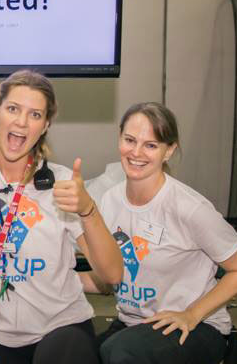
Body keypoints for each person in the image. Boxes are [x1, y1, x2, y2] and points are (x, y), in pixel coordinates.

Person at [0, 69, 123, 364]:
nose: (22, 122)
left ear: (45, 125)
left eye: (35, 115)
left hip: (61, 329)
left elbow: (113, 275)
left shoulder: (62, 183)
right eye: (13, 109)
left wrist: (88, 210)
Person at [84, 102, 237, 364]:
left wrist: (191, 314)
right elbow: (110, 279)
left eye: (151, 145)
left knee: (120, 352)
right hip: (134, 324)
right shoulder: (110, 200)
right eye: (130, 140)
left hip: (196, 327)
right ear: (119, 139)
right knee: (77, 352)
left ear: (169, 151)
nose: (136, 152)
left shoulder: (190, 208)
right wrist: (55, 276)